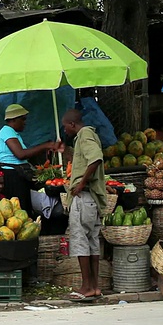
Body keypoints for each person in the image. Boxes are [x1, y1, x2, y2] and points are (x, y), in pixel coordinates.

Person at [61, 109, 107, 302]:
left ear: (72, 124)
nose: (65, 131)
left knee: (81, 242)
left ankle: (86, 286)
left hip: (83, 197)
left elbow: (95, 158)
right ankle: (95, 287)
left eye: (65, 127)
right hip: (92, 200)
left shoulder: (84, 134)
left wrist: (80, 183)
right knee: (92, 242)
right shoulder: (89, 135)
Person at [0, 104, 61, 216]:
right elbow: (20, 154)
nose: (25, 122)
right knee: (20, 210)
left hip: (17, 174)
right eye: (23, 119)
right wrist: (46, 146)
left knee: (24, 208)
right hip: (12, 176)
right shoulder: (7, 131)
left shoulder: (14, 134)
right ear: (14, 119)